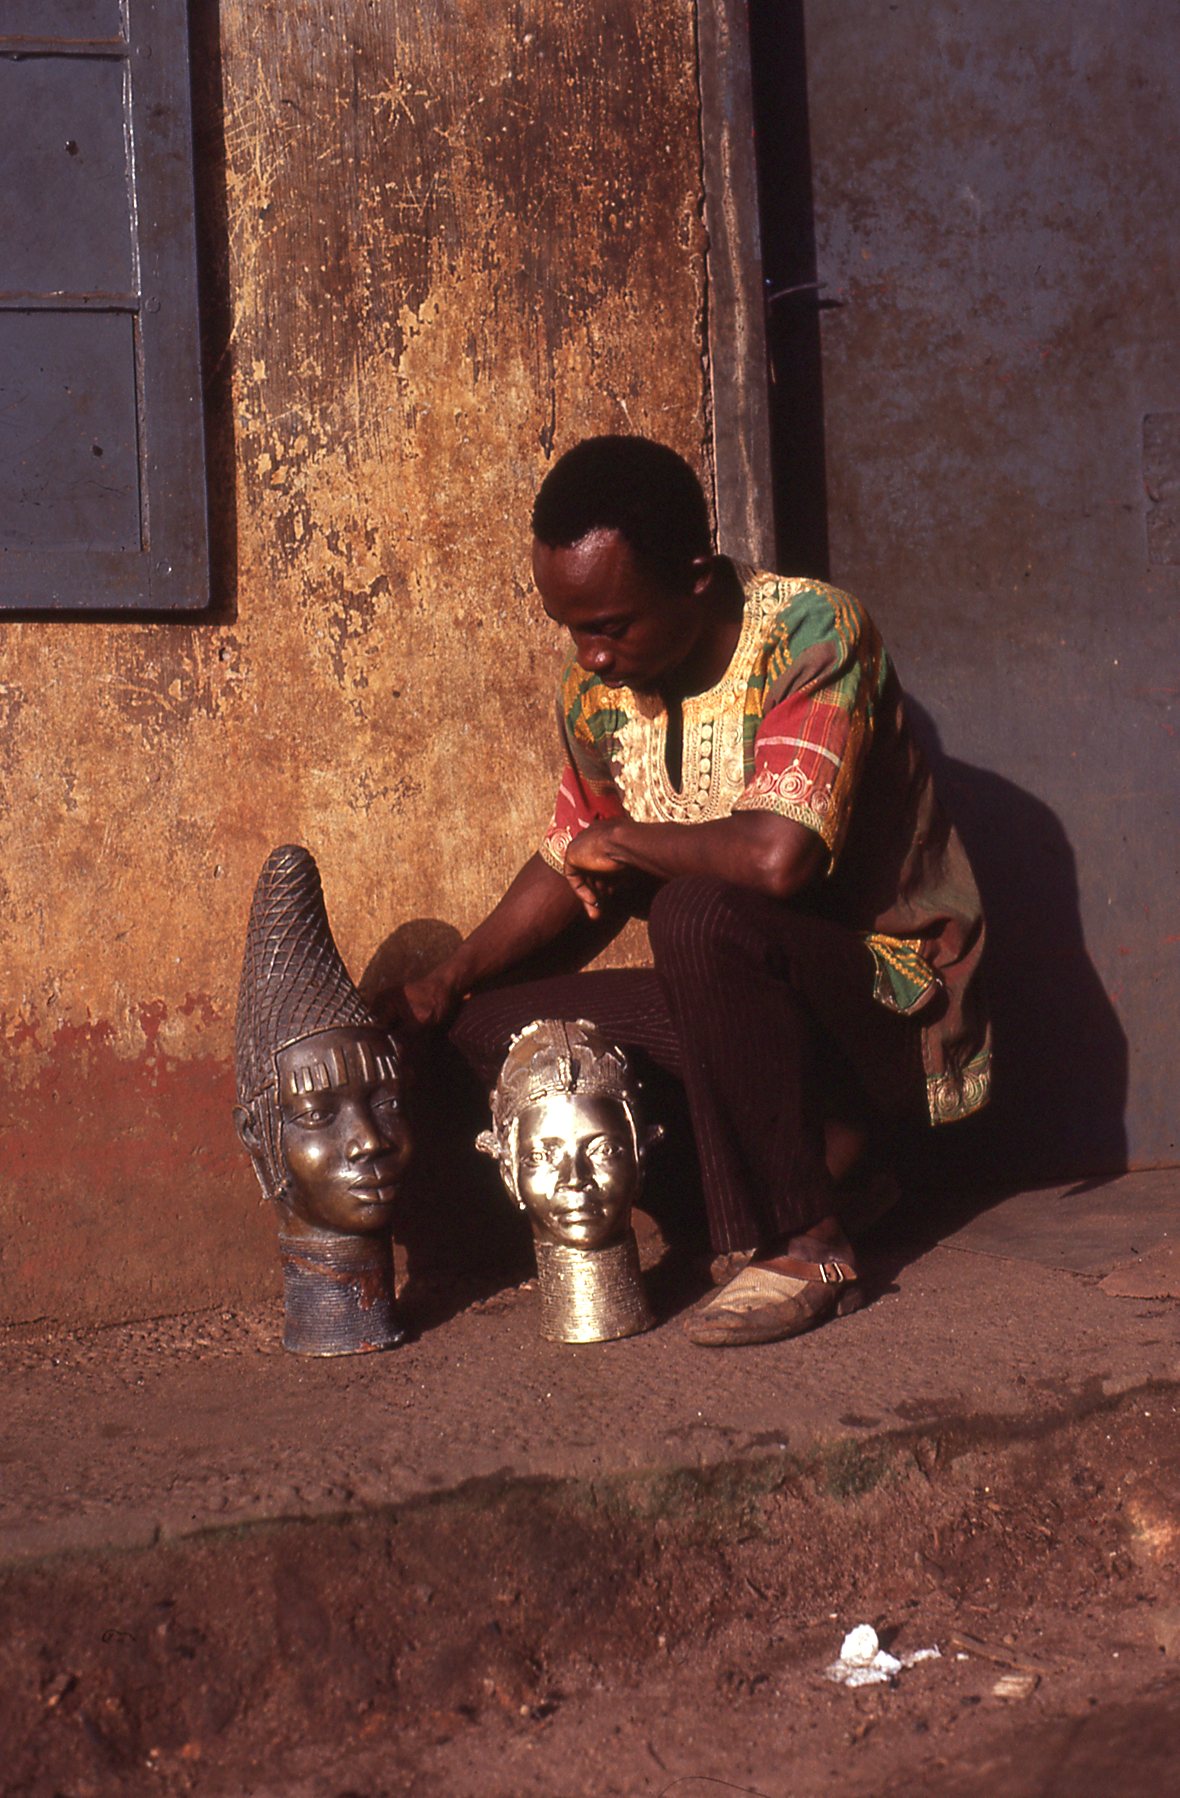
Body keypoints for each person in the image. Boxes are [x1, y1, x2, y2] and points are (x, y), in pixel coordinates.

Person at [399, 436, 990, 1346]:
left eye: (612, 625)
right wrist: (450, 978)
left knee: (696, 911)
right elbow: (575, 867)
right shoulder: (597, 694)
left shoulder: (814, 633)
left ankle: (811, 1242)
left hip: (881, 1001)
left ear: (697, 579)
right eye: (571, 628)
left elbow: (778, 861)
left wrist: (623, 839)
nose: (591, 655)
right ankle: (813, 1182)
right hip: (734, 1002)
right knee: (488, 1028)